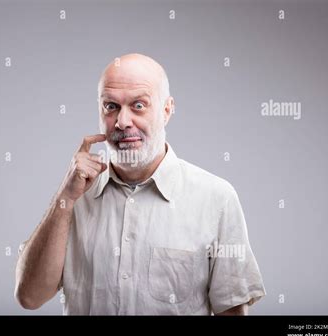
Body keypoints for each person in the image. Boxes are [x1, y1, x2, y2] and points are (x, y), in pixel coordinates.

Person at [14, 53, 266, 315]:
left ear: (167, 110)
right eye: (111, 106)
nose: (123, 122)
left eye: (138, 106)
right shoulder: (74, 195)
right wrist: (63, 200)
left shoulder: (217, 199)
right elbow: (30, 297)